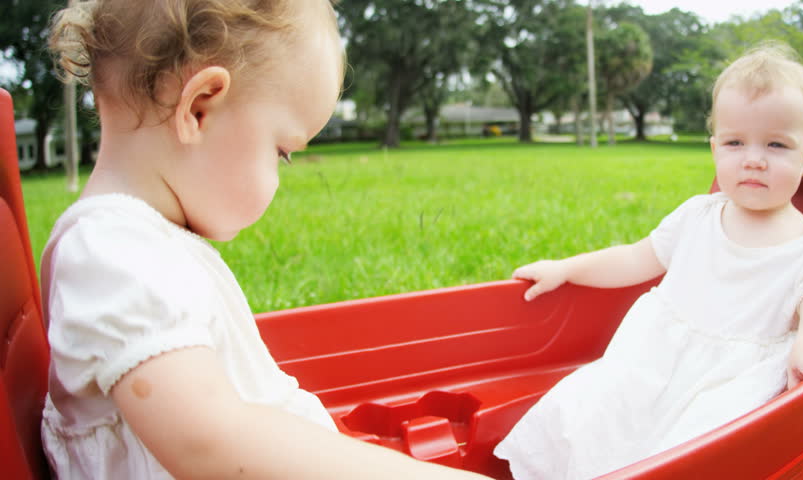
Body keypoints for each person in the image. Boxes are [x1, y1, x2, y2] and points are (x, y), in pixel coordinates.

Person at [41, 1, 491, 479]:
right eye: (283, 151)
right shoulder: (113, 254)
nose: (279, 176)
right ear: (199, 107)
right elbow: (208, 442)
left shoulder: (138, 245)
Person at [494, 42, 803, 480]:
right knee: (589, 410)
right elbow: (633, 258)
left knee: (690, 447)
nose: (753, 160)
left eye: (776, 145)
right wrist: (567, 268)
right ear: (714, 148)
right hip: (650, 362)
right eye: (735, 142)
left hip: (729, 385)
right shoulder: (696, 217)